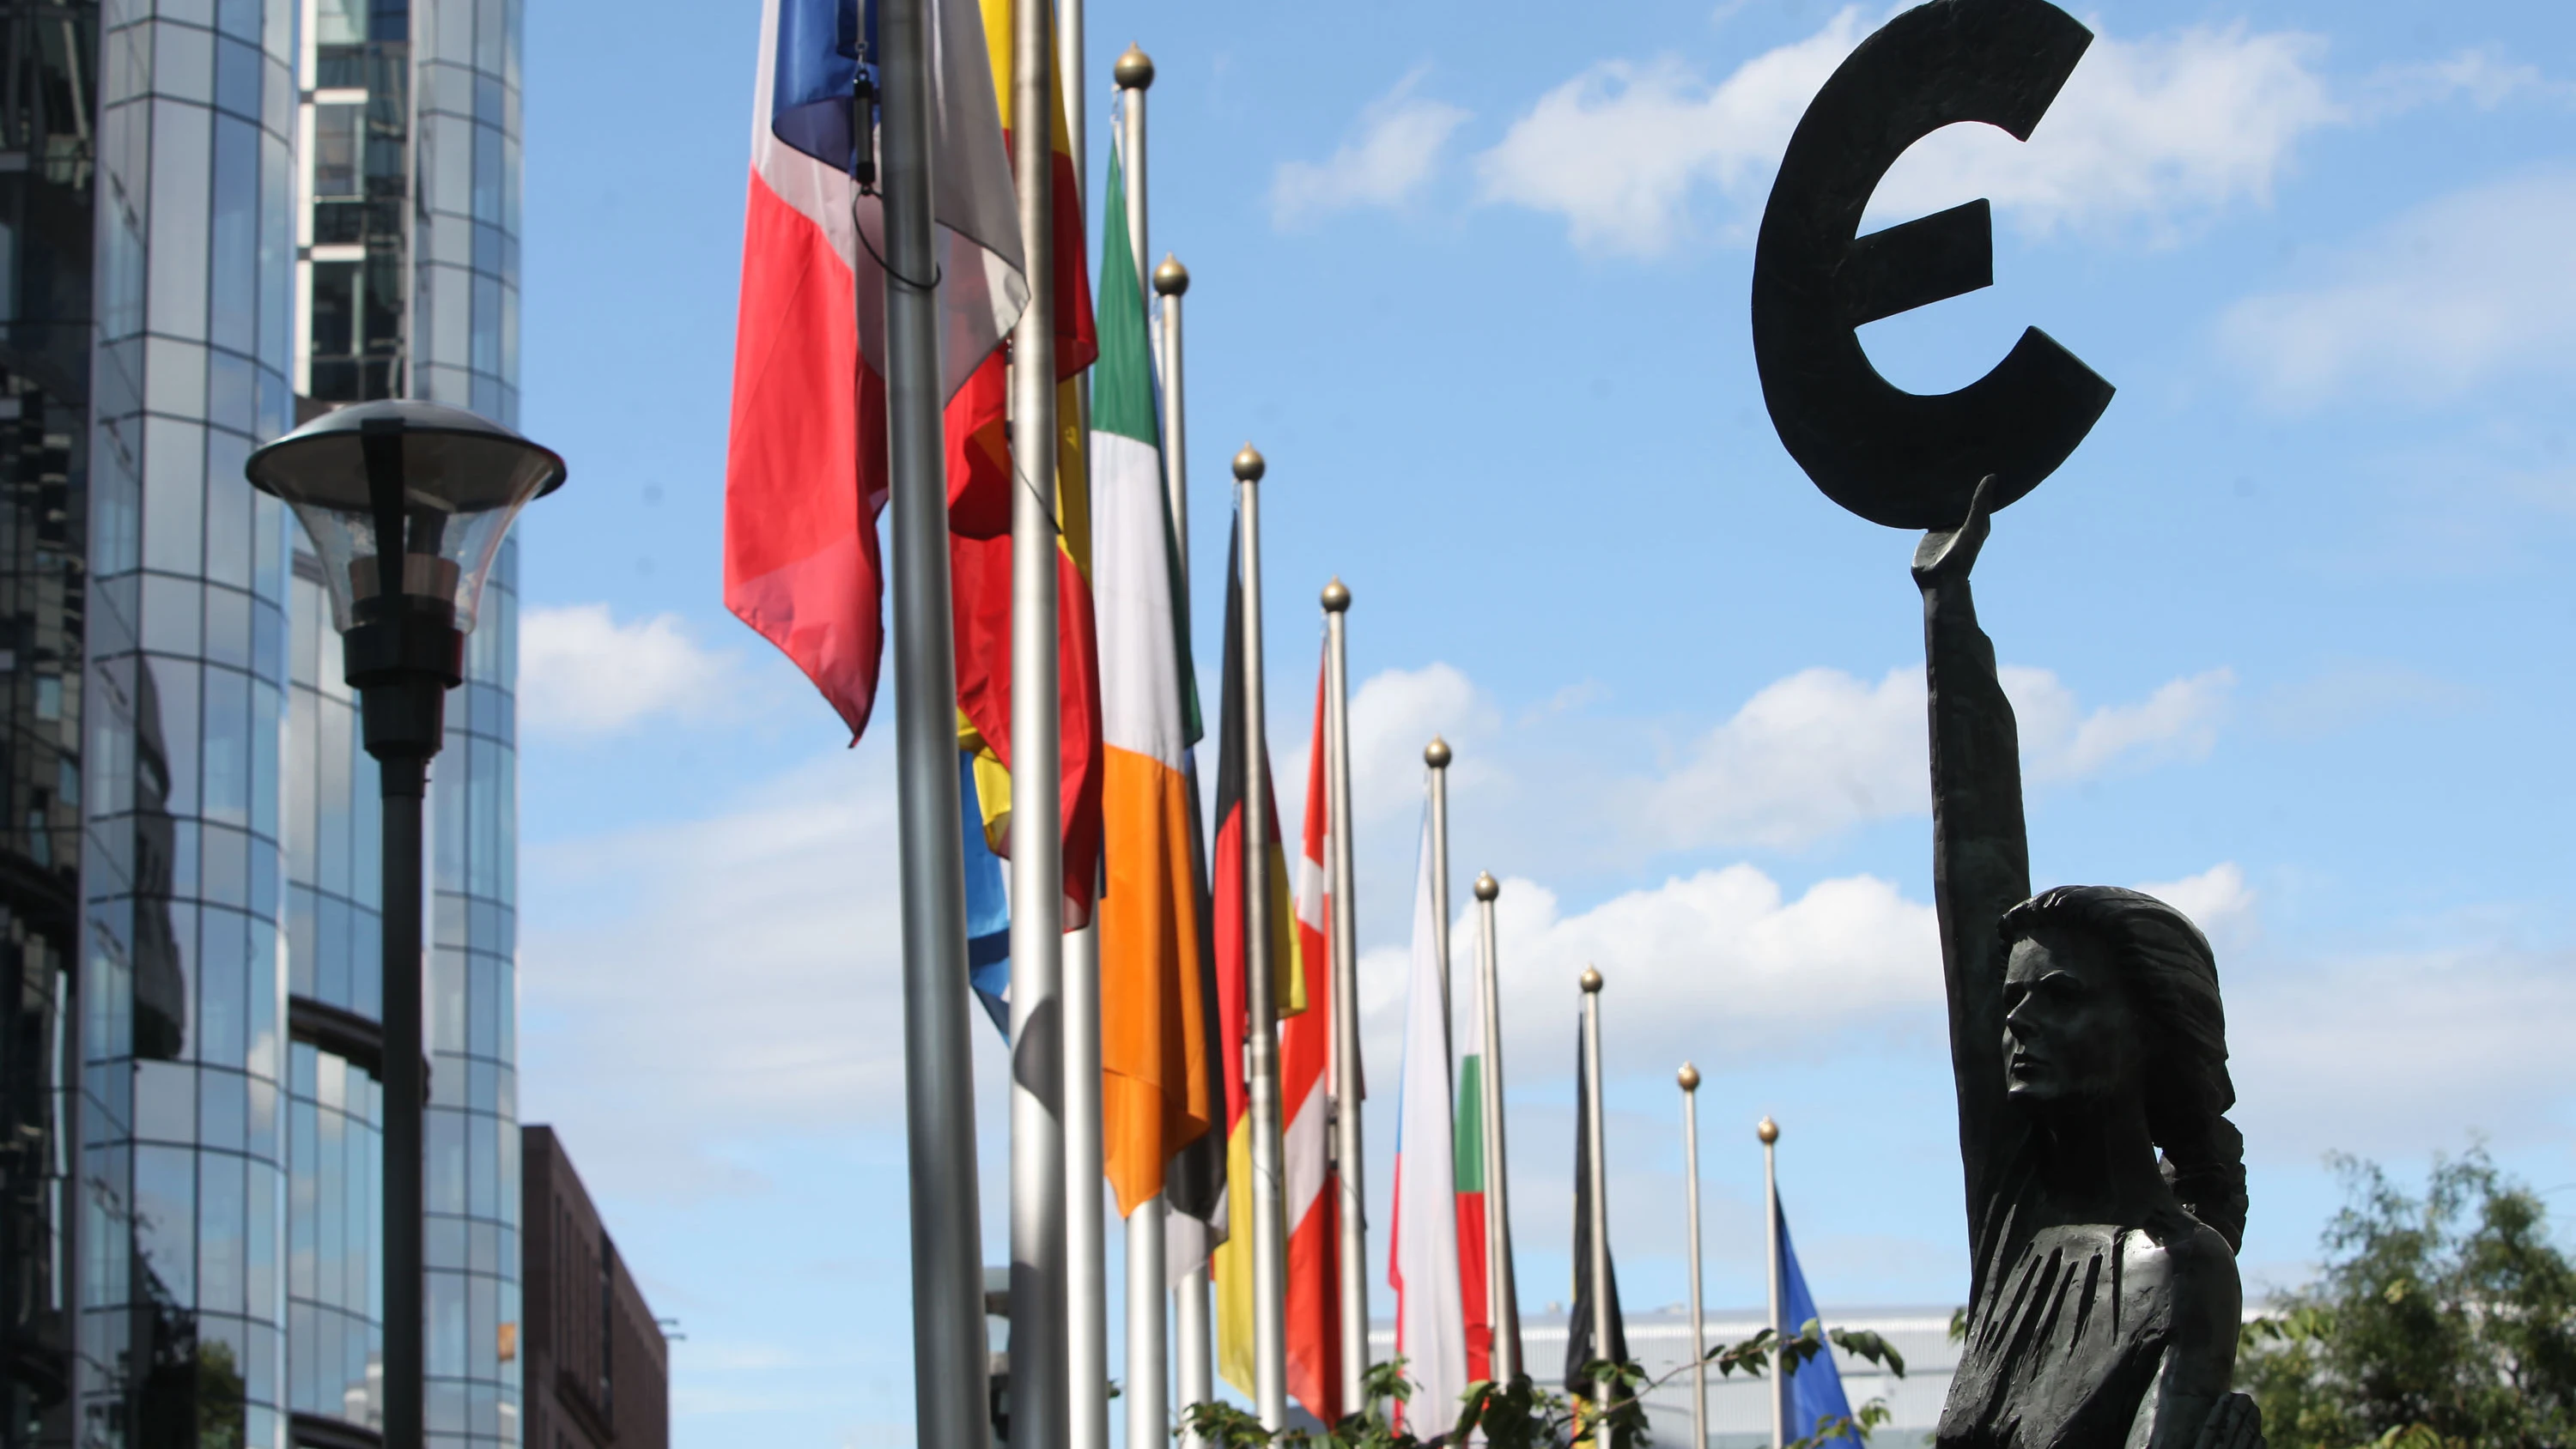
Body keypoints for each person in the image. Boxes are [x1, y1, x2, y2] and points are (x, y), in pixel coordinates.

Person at [1915, 479, 2263, 1449]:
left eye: (2059, 996)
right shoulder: (2015, 1211)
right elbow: (1973, 864)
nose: (2015, 1020)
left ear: (2149, 1033)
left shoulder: (2185, 1271)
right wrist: (1946, 612)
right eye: (2013, 997)